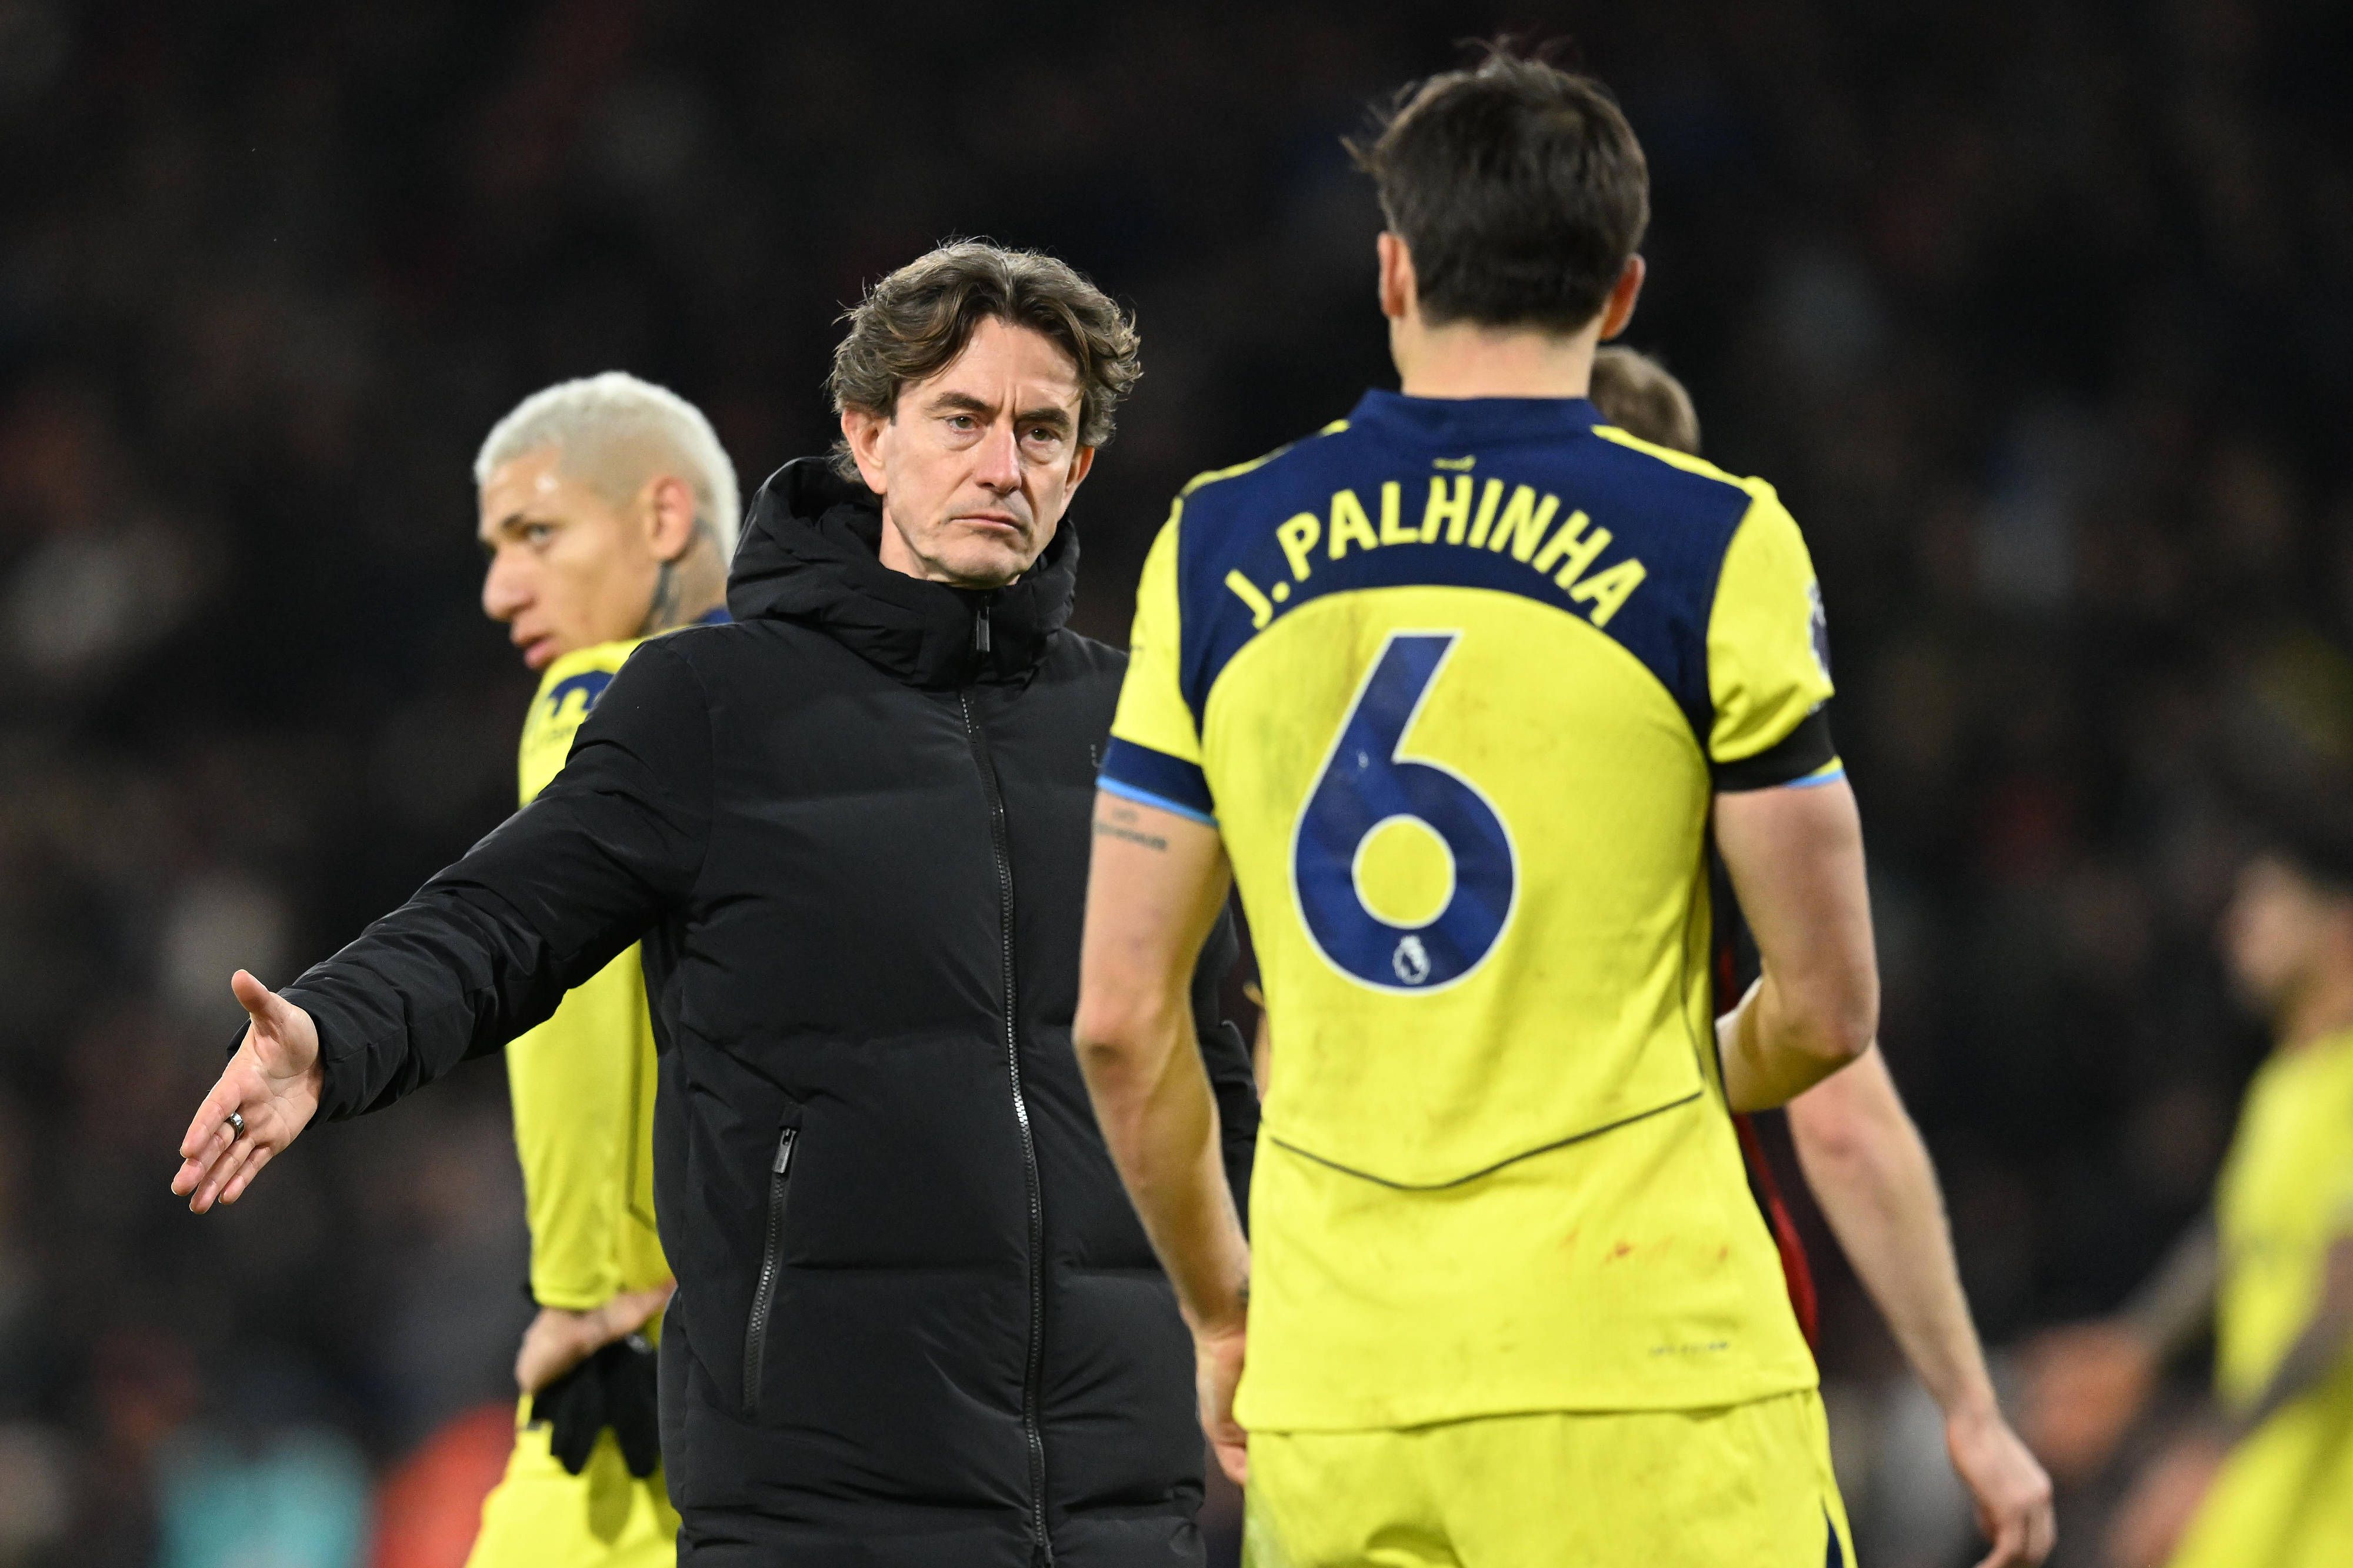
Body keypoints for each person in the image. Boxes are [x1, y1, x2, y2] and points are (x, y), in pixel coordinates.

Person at [172, 242, 1261, 1567]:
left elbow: (1199, 1054)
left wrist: (1256, 1295)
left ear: (1079, 466)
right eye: (962, 419)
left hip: (1114, 1502)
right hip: (817, 1501)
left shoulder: (1136, 722)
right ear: (870, 438)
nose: (1004, 465)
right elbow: (502, 918)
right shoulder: (713, 704)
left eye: (1042, 432)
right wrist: (333, 1034)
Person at [1074, 51, 1878, 1566]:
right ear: (1620, 295)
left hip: (1344, 1386)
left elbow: (1120, 1017)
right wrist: (1680, 1066)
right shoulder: (1714, 539)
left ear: (1392, 271)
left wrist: (1222, 1311)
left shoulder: (1213, 543)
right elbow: (1828, 1007)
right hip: (1648, 1375)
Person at [1588, 345, 2054, 1567]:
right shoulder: (1699, 766)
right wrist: (1970, 1408)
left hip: (1401, 1370)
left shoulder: (1360, 765)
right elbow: (1839, 1100)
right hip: (1668, 1347)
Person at [463, 371, 742, 1567]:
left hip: (643, 1374)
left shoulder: (598, 694)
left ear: (663, 517)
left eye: (536, 533)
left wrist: (586, 1297)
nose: (500, 589)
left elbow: (569, 1015)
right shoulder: (820, 720)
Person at [2019, 833, 2353, 1568]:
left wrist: (2208, 1450)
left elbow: (2345, 1295)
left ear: (2341, 927)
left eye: (2267, 901)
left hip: (2327, 1508)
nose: (2237, 924)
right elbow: (2234, 1235)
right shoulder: (2284, 1083)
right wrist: (2134, 1348)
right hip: (2265, 1487)